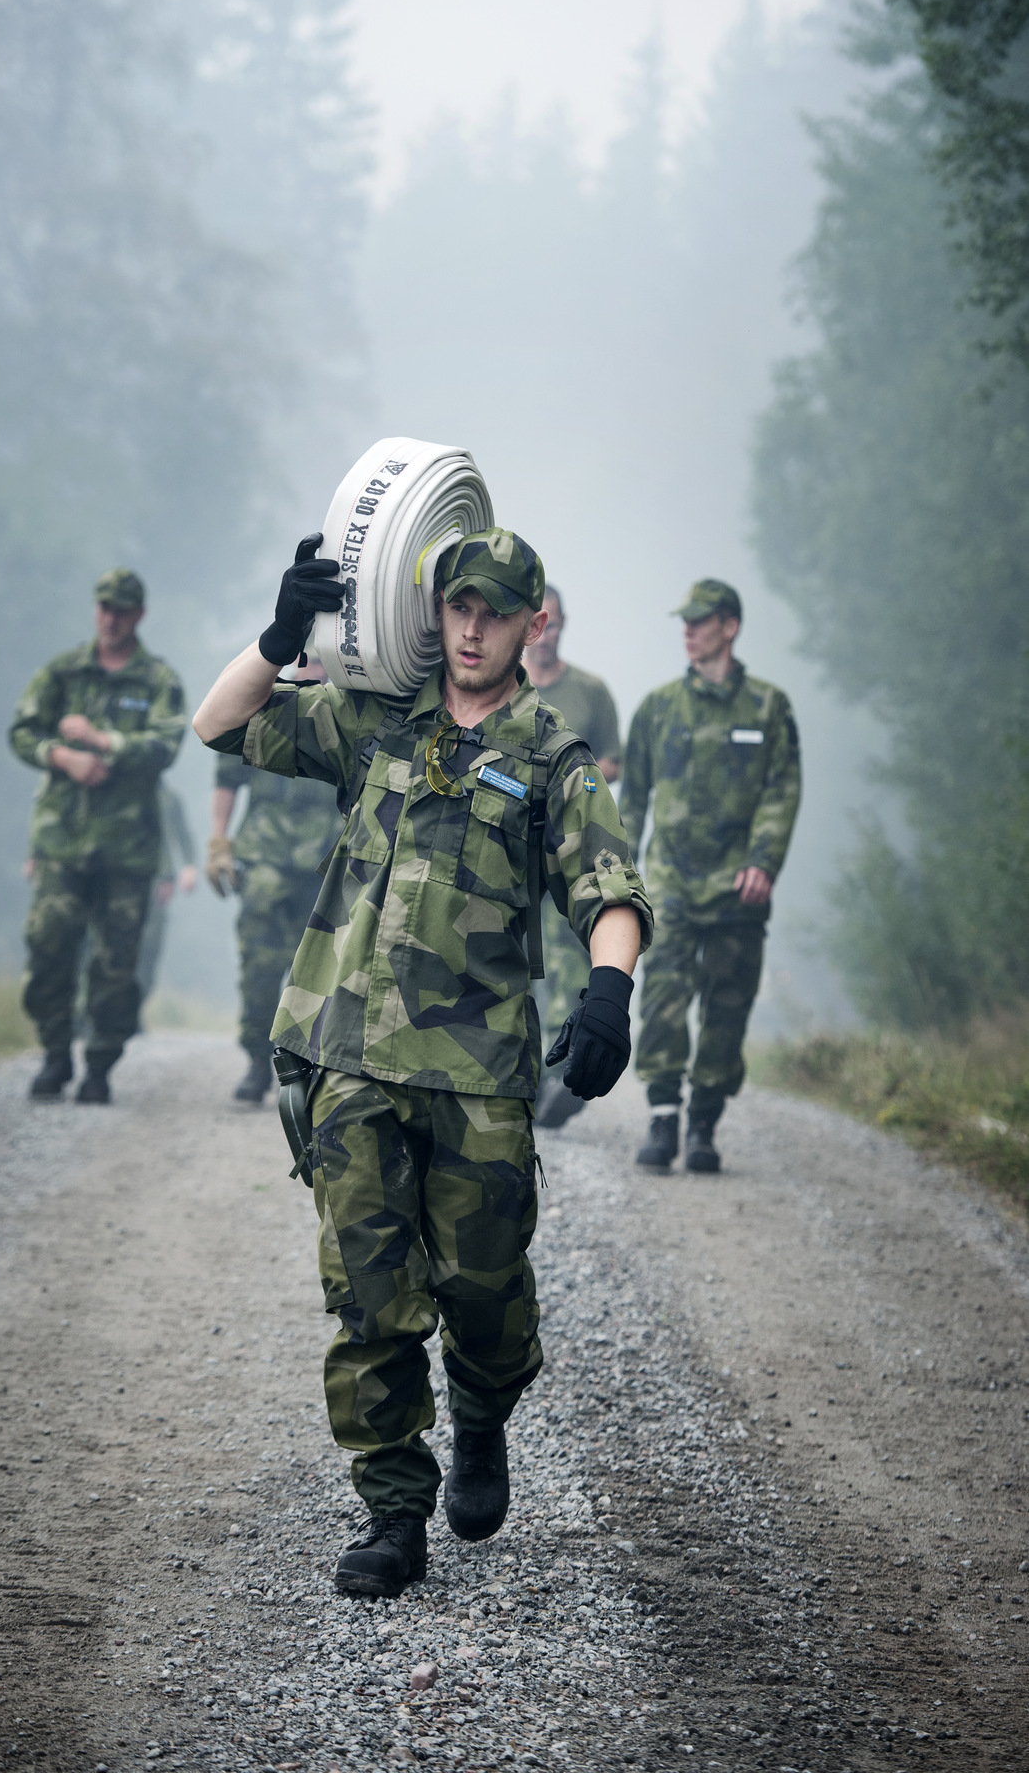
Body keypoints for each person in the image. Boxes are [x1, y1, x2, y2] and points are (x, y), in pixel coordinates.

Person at [193, 528, 652, 1600]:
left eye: (497, 611)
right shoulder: (374, 720)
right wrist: (279, 634)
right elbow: (221, 723)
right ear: (436, 612)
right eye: (459, 607)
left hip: (479, 1075)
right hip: (347, 1053)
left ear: (534, 622)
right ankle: (393, 1512)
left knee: (484, 1295)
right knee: (370, 1297)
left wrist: (608, 991)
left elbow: (610, 887)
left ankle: (482, 1411)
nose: (474, 629)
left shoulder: (553, 756)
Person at [619, 578, 800, 1174]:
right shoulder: (659, 707)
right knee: (663, 999)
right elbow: (633, 799)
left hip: (738, 886)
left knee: (728, 1006)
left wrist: (763, 861)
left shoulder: (769, 707)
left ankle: (704, 1122)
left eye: (700, 620)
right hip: (671, 882)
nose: (688, 631)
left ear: (730, 626)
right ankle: (663, 1114)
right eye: (686, 621)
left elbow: (781, 790)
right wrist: (621, 872)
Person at [10, 568, 187, 1103]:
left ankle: (100, 1066)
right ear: (96, 609)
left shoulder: (157, 679)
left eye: (121, 609)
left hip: (127, 849)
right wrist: (61, 756)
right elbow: (22, 732)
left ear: (139, 614)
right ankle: (55, 1054)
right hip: (61, 842)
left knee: (115, 965)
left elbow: (167, 746)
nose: (111, 618)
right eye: (104, 607)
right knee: (48, 948)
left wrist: (104, 741)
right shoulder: (64, 672)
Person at [205, 658, 341, 1104]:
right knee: (260, 965)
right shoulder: (263, 703)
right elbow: (228, 776)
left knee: (319, 972)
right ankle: (255, 1060)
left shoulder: (347, 709)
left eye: (322, 658)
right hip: (265, 858)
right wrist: (219, 841)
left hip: (326, 862)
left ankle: (306, 1068)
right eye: (307, 657)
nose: (314, 667)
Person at [523, 583, 622, 1129]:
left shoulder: (590, 692)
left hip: (569, 849)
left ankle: (563, 1075)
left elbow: (613, 762)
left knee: (564, 964)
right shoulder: (503, 689)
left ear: (561, 626)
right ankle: (520, 1077)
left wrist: (567, 774)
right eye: (540, 623)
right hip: (511, 850)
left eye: (555, 623)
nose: (546, 634)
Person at [136, 783, 199, 1008]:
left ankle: (134, 1008)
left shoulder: (167, 797)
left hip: (158, 878)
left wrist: (189, 866)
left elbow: (182, 833)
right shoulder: (115, 785)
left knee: (150, 945)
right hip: (114, 875)